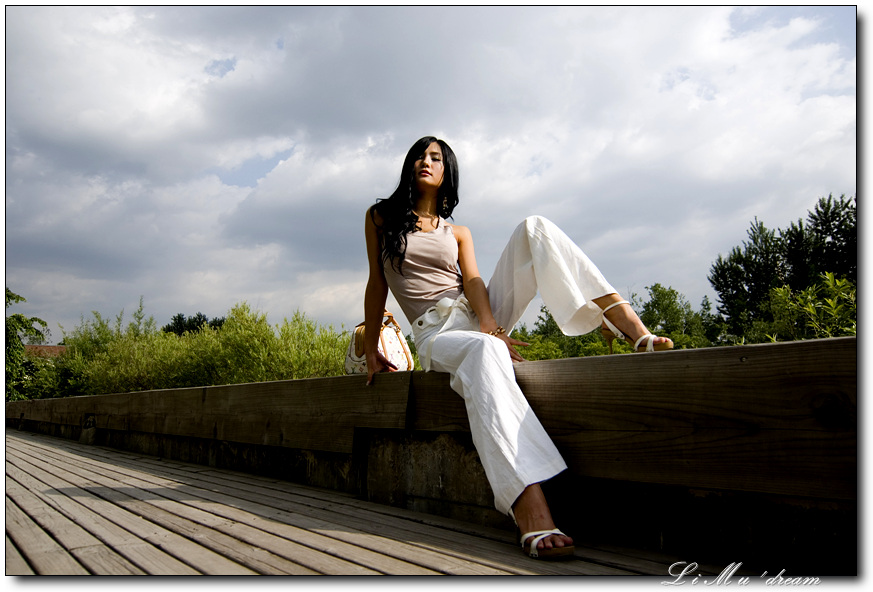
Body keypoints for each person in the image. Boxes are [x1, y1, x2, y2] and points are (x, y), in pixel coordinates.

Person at [363, 136, 673, 560]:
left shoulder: (459, 232)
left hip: (477, 315)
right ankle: (527, 500)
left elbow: (473, 282)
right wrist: (371, 346)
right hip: (436, 334)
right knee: (483, 352)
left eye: (435, 157)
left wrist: (490, 326)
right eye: (419, 155)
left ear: (447, 171)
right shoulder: (380, 218)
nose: (425, 161)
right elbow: (377, 282)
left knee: (534, 227)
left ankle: (627, 323)